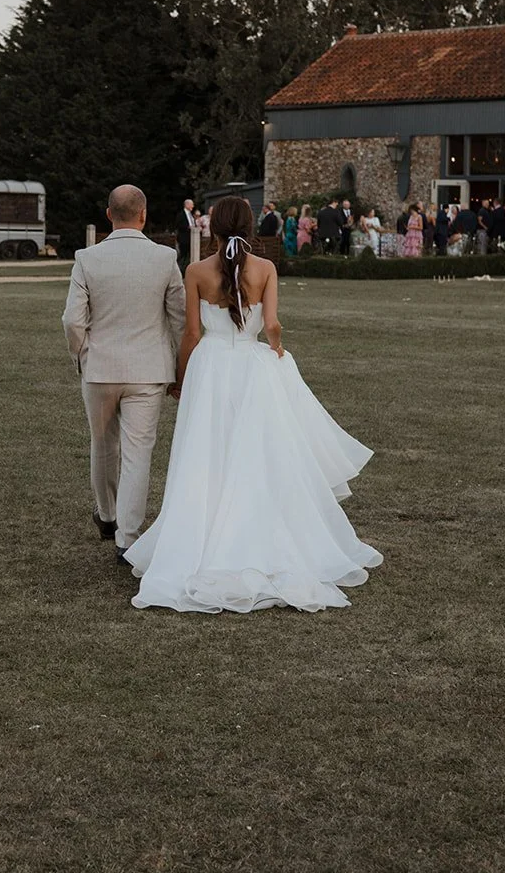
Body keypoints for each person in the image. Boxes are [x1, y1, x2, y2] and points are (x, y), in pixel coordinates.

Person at [126, 195, 382, 614]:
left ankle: (200, 541)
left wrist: (181, 376)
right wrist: (276, 349)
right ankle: (258, 537)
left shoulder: (195, 270)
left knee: (207, 454)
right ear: (249, 226)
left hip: (210, 368)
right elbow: (273, 325)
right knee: (258, 455)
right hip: (250, 367)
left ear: (213, 227)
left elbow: (191, 333)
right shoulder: (266, 269)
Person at [63, 185, 186, 561]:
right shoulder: (165, 258)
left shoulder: (86, 257)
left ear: (108, 215)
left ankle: (107, 515)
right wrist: (180, 369)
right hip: (148, 371)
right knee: (138, 454)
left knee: (103, 444)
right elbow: (180, 319)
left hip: (100, 367)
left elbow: (72, 320)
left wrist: (82, 354)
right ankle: (128, 539)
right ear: (143, 214)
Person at [175, 197, 197, 271]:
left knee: (189, 256)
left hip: (192, 238)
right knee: (183, 256)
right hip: (183, 239)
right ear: (187, 205)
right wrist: (188, 227)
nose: (193, 206)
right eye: (192, 204)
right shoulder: (181, 214)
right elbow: (178, 225)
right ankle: (179, 270)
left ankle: (186, 270)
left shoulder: (191, 215)